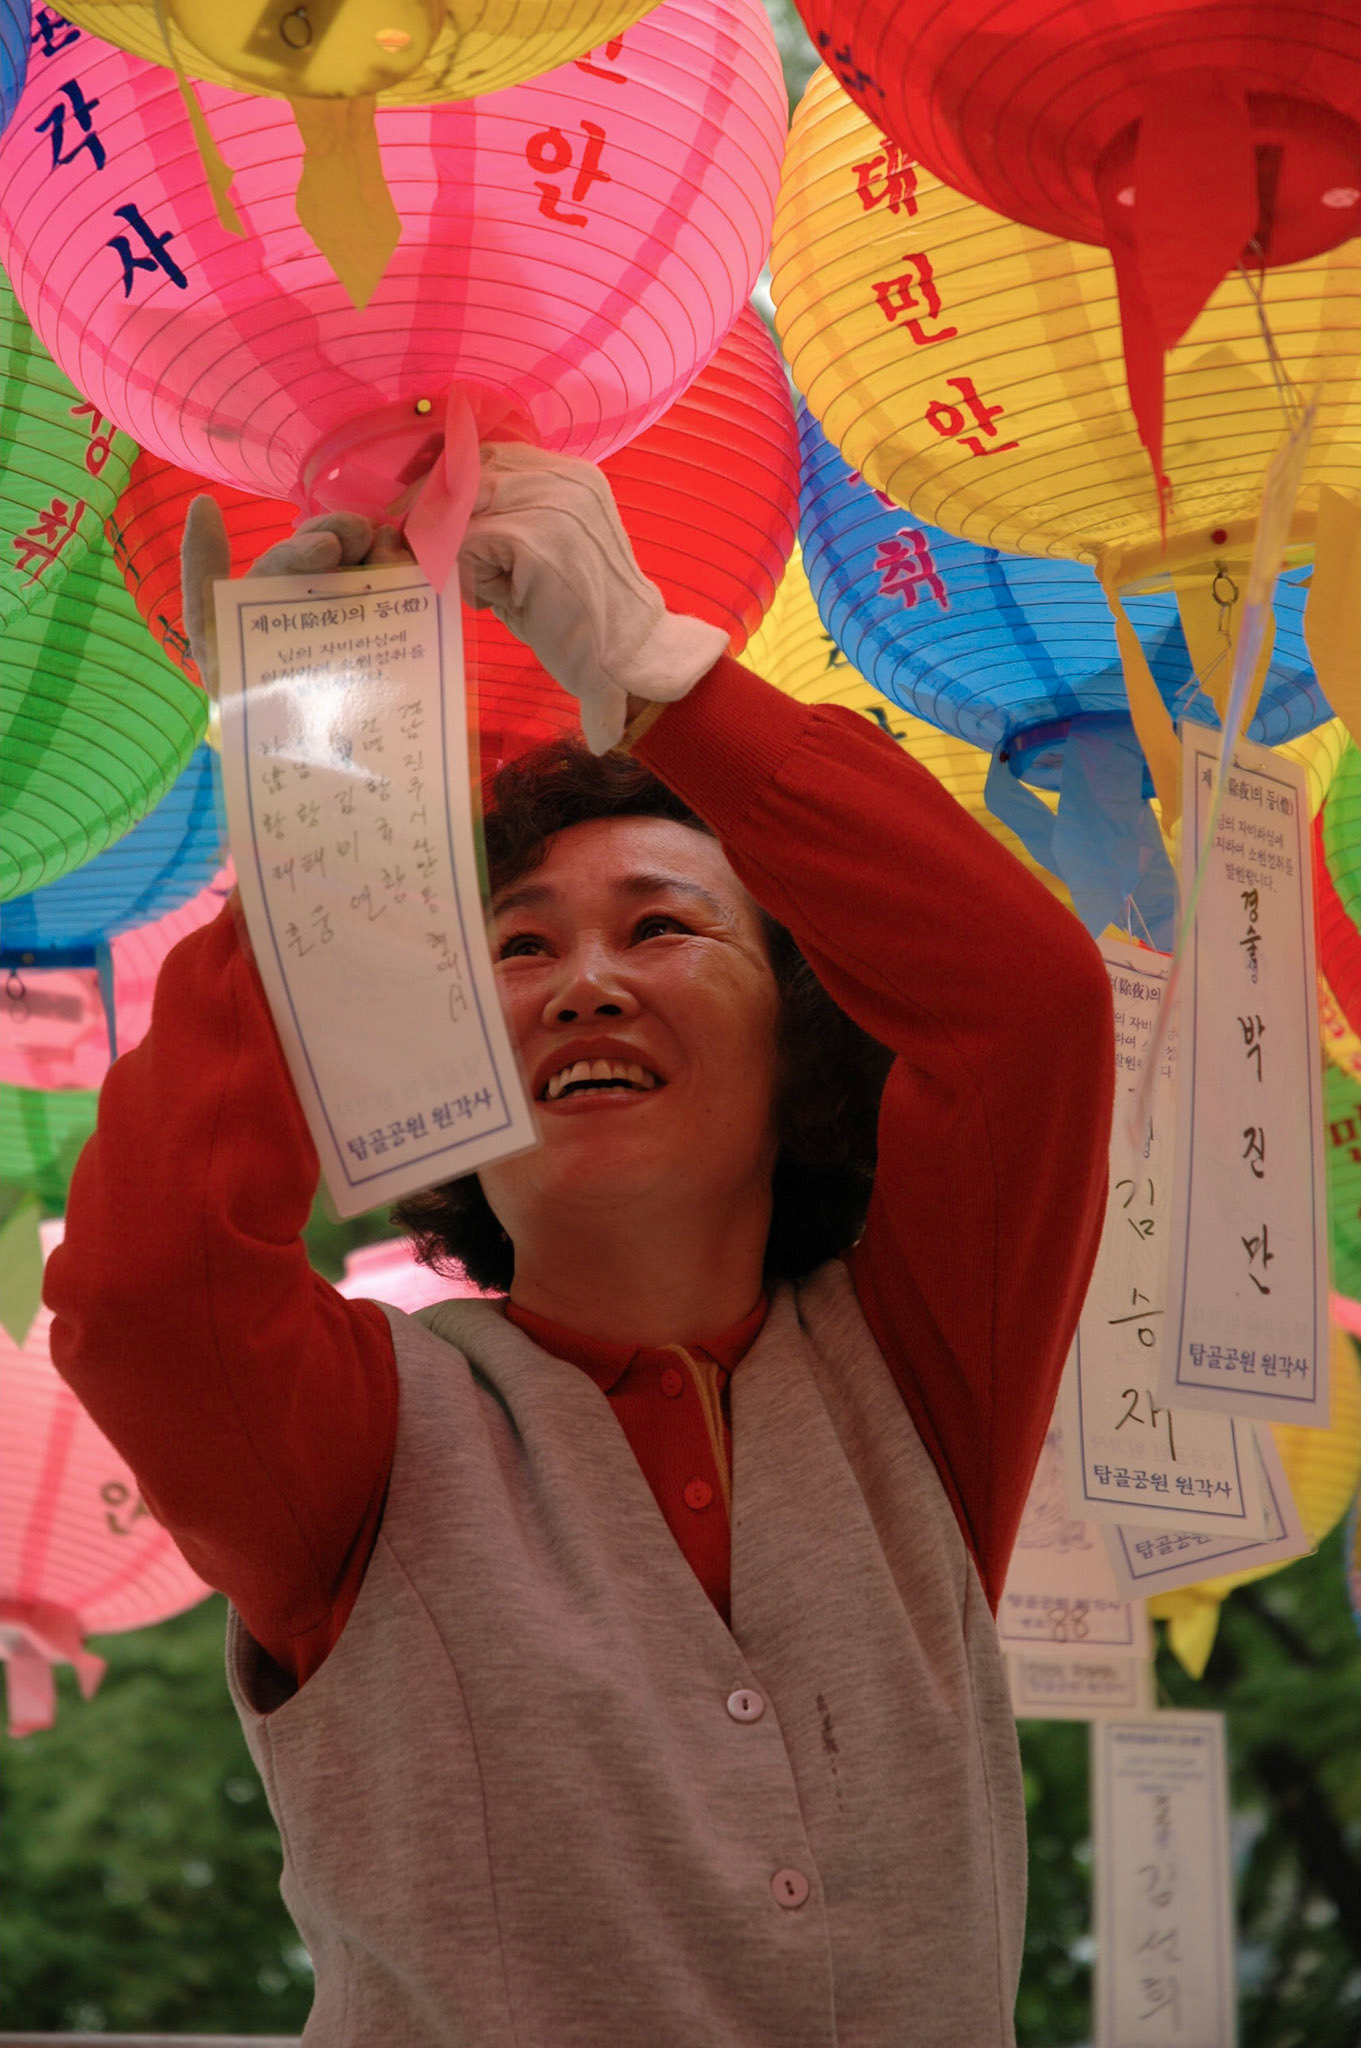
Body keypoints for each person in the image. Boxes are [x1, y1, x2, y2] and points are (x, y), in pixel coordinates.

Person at [45, 447, 1114, 2047]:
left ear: (804, 1045)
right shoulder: (364, 1437)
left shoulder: (916, 1368)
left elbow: (1027, 1009)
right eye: (517, 946)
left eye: (665, 927)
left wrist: (652, 671)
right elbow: (146, 1290)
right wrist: (315, 811)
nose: (583, 983)